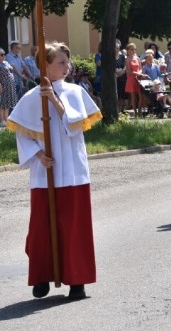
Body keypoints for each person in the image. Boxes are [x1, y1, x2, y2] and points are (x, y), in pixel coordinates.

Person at [7, 42, 102, 300]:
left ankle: (77, 280)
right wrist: (38, 155)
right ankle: (41, 276)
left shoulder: (74, 92)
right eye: (60, 62)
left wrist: (54, 101)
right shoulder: (30, 97)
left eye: (66, 62)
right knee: (42, 228)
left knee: (74, 228)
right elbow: (21, 133)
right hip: (43, 173)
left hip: (72, 172)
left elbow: (75, 125)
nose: (67, 66)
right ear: (45, 66)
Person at [0, 48, 18, 127]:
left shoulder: (6, 62)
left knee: (7, 103)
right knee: (1, 103)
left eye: (4, 54)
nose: (3, 56)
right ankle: (2, 120)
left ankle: (6, 119)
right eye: (1, 54)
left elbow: (11, 69)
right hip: (1, 85)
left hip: (9, 86)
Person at [123, 43, 144, 116]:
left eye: (134, 49)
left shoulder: (137, 58)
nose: (134, 51)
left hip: (138, 78)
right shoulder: (127, 59)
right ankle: (135, 112)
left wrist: (139, 73)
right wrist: (138, 74)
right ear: (128, 50)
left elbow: (140, 68)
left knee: (141, 95)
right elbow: (129, 71)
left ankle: (139, 110)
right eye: (132, 49)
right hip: (131, 78)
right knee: (133, 96)